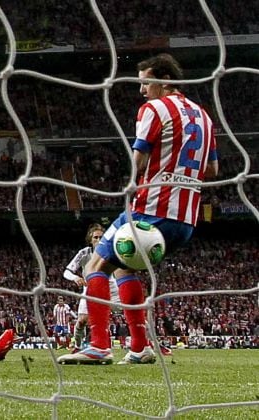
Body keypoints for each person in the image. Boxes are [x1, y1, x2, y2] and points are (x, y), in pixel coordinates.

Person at [58, 53, 218, 365]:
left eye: (146, 82)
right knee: (123, 267)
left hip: (150, 209)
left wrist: (134, 184)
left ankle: (99, 346)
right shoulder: (205, 117)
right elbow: (211, 169)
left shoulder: (155, 109)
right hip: (185, 219)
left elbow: (139, 159)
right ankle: (141, 346)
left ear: (165, 81)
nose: (142, 90)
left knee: (94, 268)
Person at [63, 223, 120, 353]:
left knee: (132, 311)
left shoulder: (111, 252)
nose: (99, 240)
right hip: (90, 289)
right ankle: (77, 347)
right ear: (90, 239)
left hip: (111, 288)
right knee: (82, 320)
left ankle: (149, 343)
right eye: (96, 237)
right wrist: (75, 278)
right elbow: (66, 272)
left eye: (101, 237)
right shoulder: (84, 253)